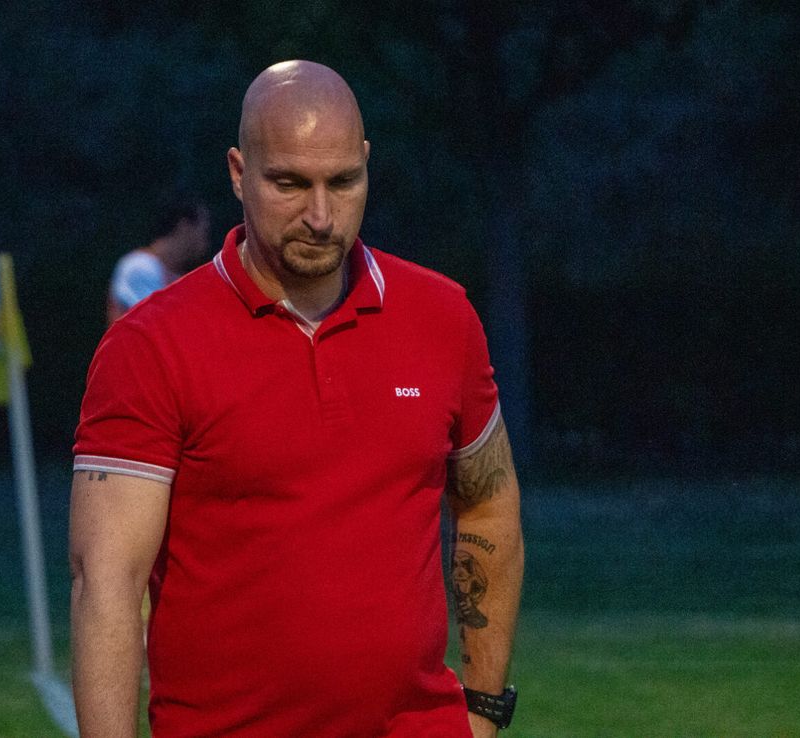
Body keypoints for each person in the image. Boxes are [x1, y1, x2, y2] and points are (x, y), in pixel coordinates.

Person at [70, 60, 523, 737]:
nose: (320, 215)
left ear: (367, 163)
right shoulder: (151, 345)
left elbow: (488, 501)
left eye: (343, 181)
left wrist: (482, 710)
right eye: (289, 183)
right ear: (238, 173)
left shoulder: (441, 317)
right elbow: (106, 582)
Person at [106, 197, 211, 325]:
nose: (205, 242)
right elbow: (158, 325)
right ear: (185, 227)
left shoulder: (175, 275)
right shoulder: (139, 266)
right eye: (204, 231)